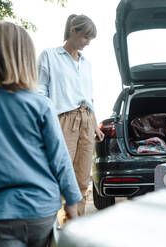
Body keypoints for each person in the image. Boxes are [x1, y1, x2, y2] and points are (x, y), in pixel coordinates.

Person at [0, 21, 82, 247]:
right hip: (43, 211)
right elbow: (60, 159)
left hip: (2, 215)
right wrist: (72, 202)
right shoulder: (41, 105)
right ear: (26, 60)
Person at [37, 14, 104, 216]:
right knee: (57, 175)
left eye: (90, 40)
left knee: (82, 179)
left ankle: (76, 226)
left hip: (86, 120)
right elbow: (40, 90)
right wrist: (48, 122)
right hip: (62, 120)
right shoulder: (49, 55)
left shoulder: (87, 64)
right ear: (73, 31)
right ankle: (48, 228)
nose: (87, 43)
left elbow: (88, 98)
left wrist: (94, 124)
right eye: (85, 37)